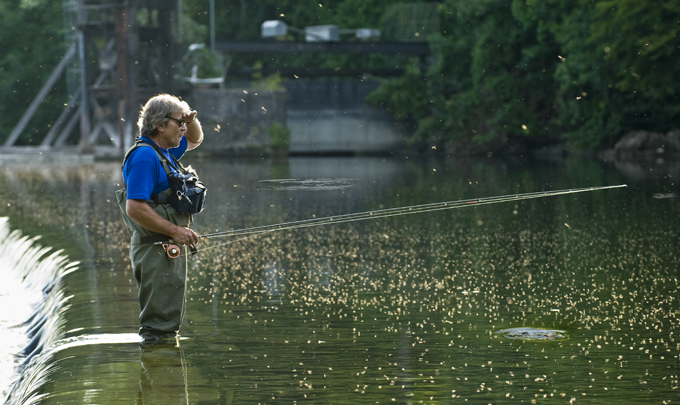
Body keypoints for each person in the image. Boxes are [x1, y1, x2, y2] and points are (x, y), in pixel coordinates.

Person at [115, 94, 204, 345]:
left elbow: (194, 139)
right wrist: (175, 231)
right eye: (179, 122)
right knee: (158, 327)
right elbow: (135, 208)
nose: (184, 127)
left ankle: (164, 377)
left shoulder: (163, 151)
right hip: (156, 247)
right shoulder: (145, 156)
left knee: (167, 322)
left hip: (165, 246)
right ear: (160, 125)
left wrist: (189, 118)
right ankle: (159, 373)